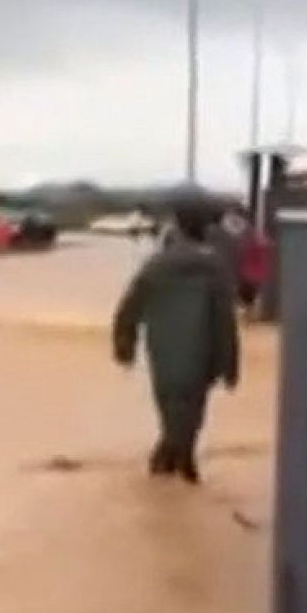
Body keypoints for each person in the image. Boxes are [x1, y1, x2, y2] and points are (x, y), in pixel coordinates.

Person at [111, 203, 241, 484]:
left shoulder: (156, 265)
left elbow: (129, 309)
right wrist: (230, 363)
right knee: (193, 407)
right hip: (203, 354)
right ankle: (180, 455)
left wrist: (125, 345)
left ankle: (170, 454)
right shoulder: (214, 268)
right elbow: (225, 321)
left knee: (168, 404)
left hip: (163, 351)